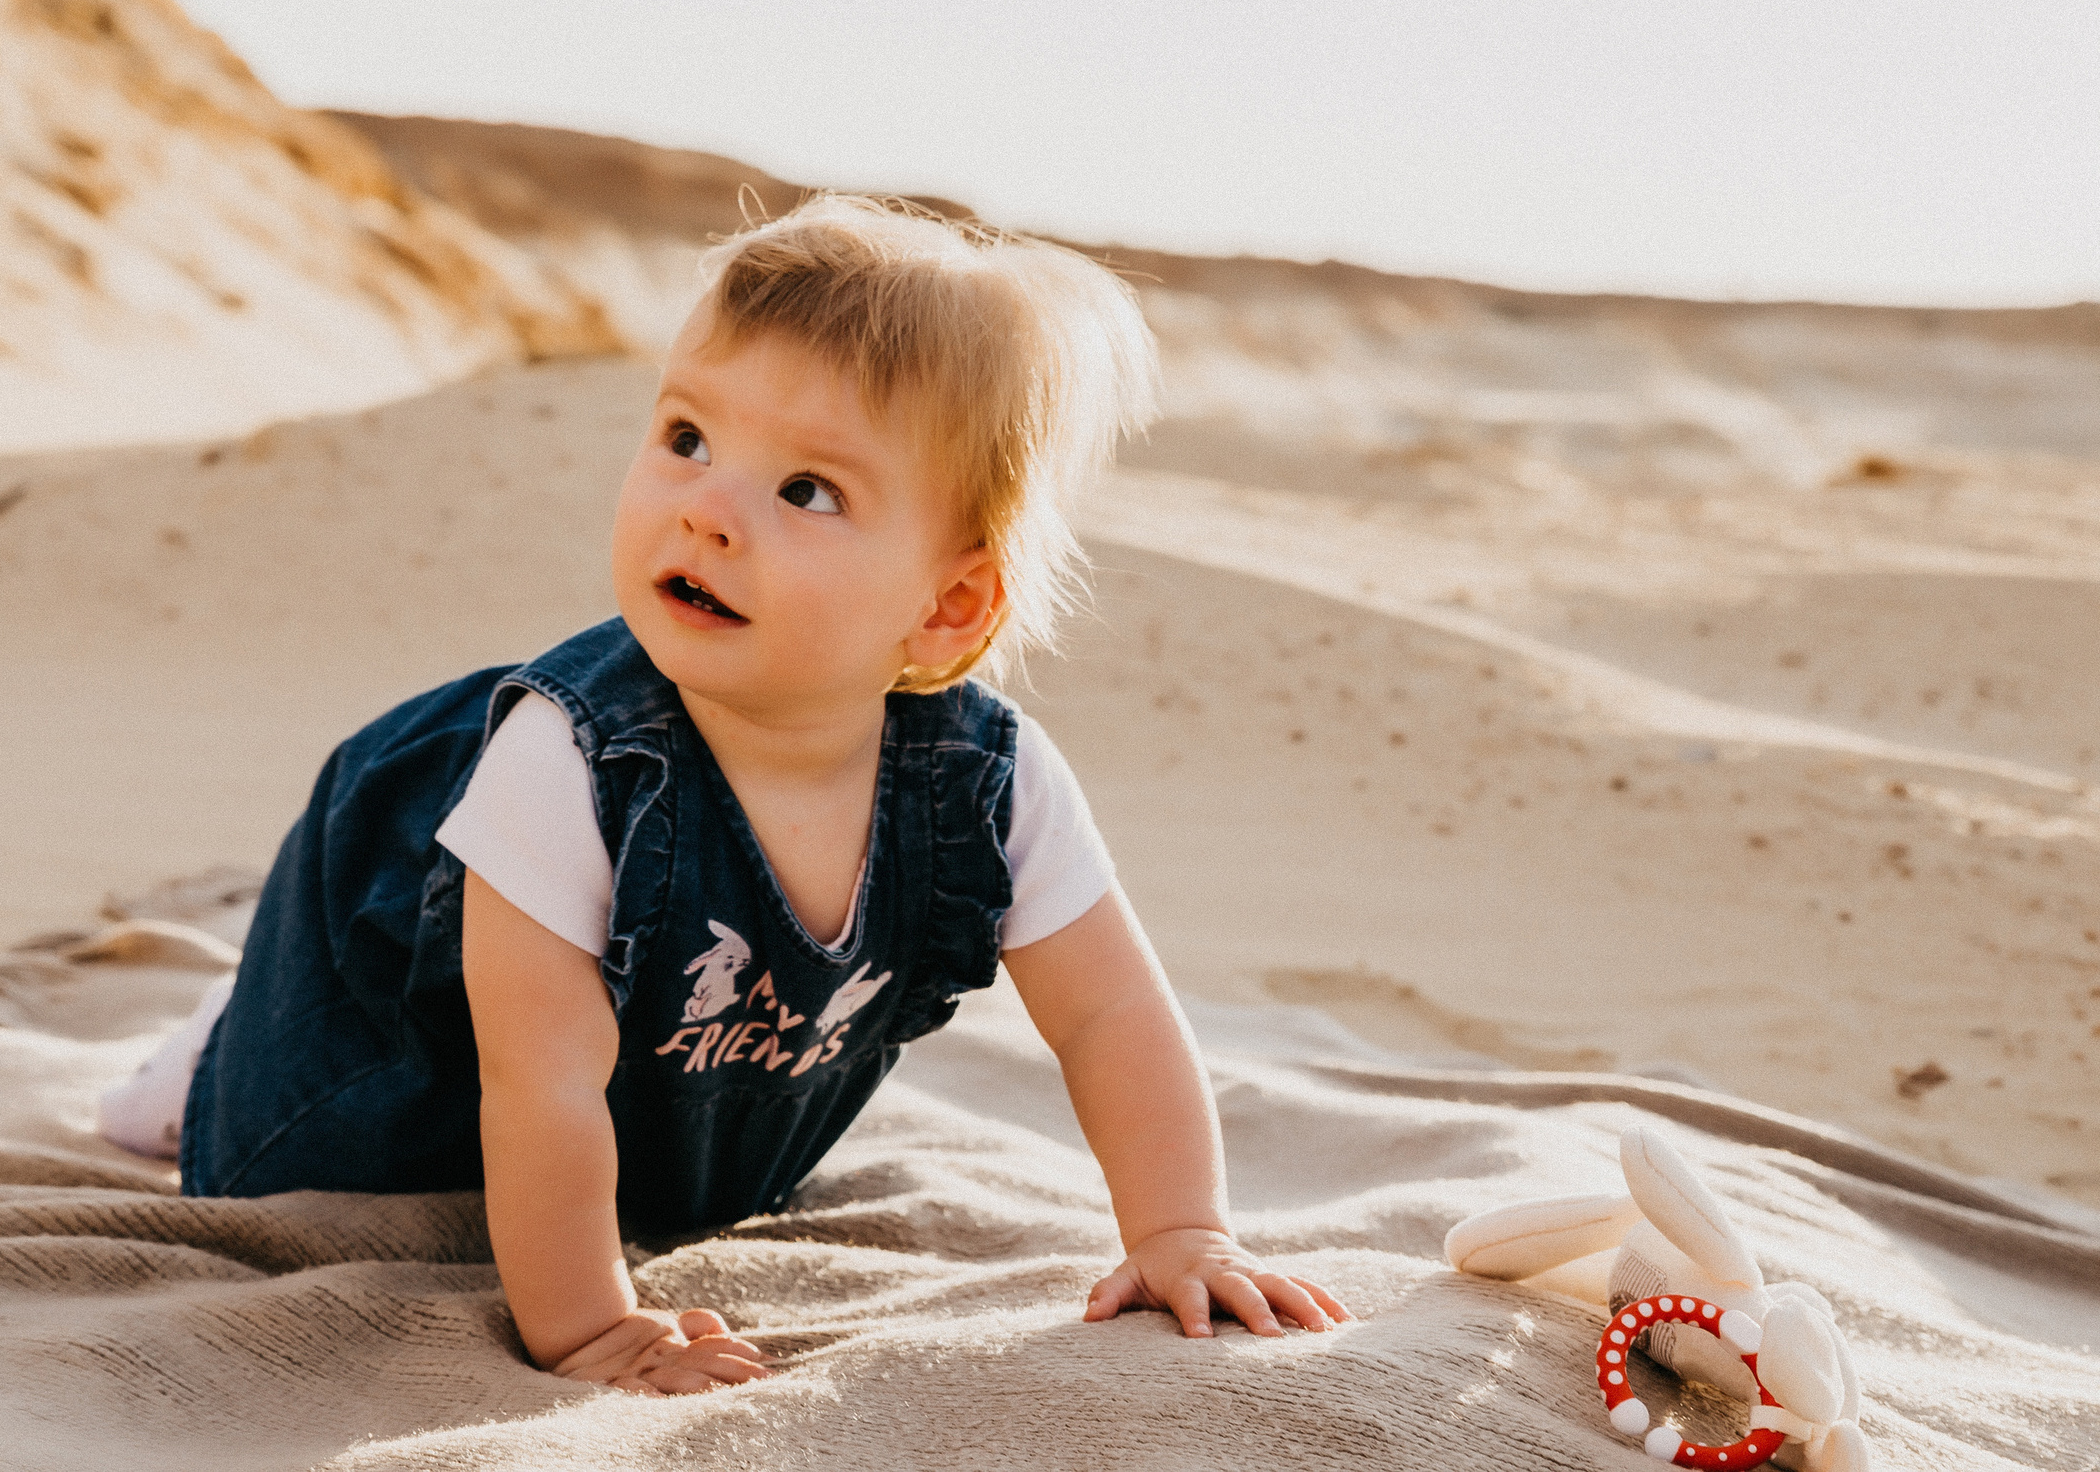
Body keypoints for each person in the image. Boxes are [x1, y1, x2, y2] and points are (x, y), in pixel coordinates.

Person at [99, 196, 1350, 1394]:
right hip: (398, 1065)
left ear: (948, 605)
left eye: (807, 489)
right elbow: (538, 1083)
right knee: (263, 1139)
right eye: (687, 437)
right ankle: (217, 1041)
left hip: (674, 1111)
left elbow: (1110, 1012)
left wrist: (1182, 1228)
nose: (706, 509)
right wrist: (594, 1329)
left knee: (680, 1174)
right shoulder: (565, 759)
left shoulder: (985, 783)